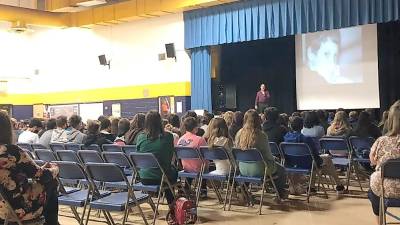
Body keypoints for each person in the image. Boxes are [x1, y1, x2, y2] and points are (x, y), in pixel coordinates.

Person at [0, 110, 59, 225]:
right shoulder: (12, 151)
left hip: (3, 208)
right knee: (52, 181)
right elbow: (41, 175)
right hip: (19, 208)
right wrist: (54, 169)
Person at [284, 116, 344, 194]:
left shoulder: (286, 138)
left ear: (290, 126)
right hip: (306, 163)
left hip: (291, 164)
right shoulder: (306, 139)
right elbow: (315, 154)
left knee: (315, 162)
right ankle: (339, 185)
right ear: (302, 126)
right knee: (325, 159)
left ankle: (312, 187)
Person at [235, 109, 287, 198]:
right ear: (259, 120)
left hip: (242, 168)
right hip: (260, 169)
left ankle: (243, 189)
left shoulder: (239, 133)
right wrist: (274, 159)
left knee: (270, 167)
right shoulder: (261, 135)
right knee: (281, 169)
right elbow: (268, 156)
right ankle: (280, 193)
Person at [368, 100, 400, 225]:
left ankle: (380, 222)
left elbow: (373, 162)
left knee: (373, 188)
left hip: (385, 189)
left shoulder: (381, 141)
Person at [136, 111, 177, 206]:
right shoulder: (168, 136)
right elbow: (170, 156)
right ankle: (172, 206)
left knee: (166, 173)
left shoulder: (140, 137)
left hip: (144, 177)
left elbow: (138, 157)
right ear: (160, 122)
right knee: (171, 172)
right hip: (161, 177)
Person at [177, 117, 208, 197]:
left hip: (186, 168)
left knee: (190, 164)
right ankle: (203, 190)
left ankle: (187, 188)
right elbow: (206, 155)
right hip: (199, 169)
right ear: (196, 127)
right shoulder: (200, 139)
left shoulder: (180, 140)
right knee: (205, 165)